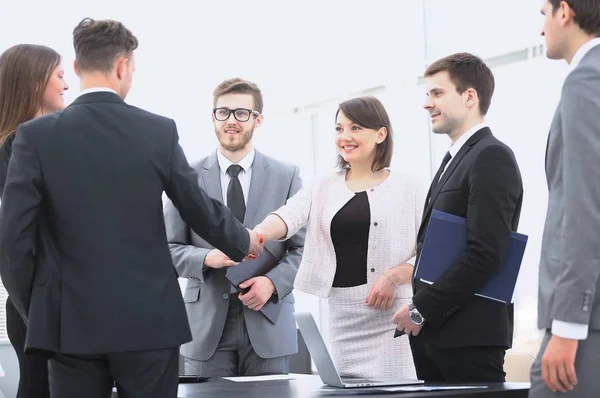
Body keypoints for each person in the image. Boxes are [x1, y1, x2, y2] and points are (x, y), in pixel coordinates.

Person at [0, 18, 262, 398]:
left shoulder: (35, 137)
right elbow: (197, 207)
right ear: (123, 66)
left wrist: (41, 309)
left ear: (77, 67)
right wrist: (243, 239)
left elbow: (14, 241)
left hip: (70, 326)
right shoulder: (156, 130)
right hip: (149, 324)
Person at [253, 96, 422, 379]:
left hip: (393, 316)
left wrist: (395, 276)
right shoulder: (323, 184)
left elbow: (431, 252)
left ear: (381, 134)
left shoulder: (411, 187)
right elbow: (289, 215)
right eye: (339, 129)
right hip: (342, 316)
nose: (345, 137)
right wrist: (256, 235)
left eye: (356, 128)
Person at [392, 52, 523, 382]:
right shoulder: (456, 159)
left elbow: (486, 253)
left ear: (469, 97)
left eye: (437, 93)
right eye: (427, 94)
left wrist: (422, 309)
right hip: (438, 336)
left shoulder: (491, 156)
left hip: (469, 338)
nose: (427, 103)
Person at [164, 78, 305, 377]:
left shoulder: (287, 175)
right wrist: (206, 258)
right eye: (223, 112)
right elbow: (167, 249)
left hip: (269, 321)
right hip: (206, 328)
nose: (231, 121)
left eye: (241, 113)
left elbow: (304, 249)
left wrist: (272, 283)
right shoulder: (185, 176)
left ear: (258, 119)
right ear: (212, 117)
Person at [530, 1, 600, 396]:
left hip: (586, 322)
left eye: (544, 13)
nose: (542, 28)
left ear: (565, 12)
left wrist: (568, 325)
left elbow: (584, 206)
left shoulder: (587, 77)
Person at [0, 43, 69, 398]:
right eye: (59, 75)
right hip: (38, 306)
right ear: (33, 82)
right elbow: (16, 242)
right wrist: (38, 312)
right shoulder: (14, 148)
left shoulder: (49, 142)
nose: (67, 84)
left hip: (55, 304)